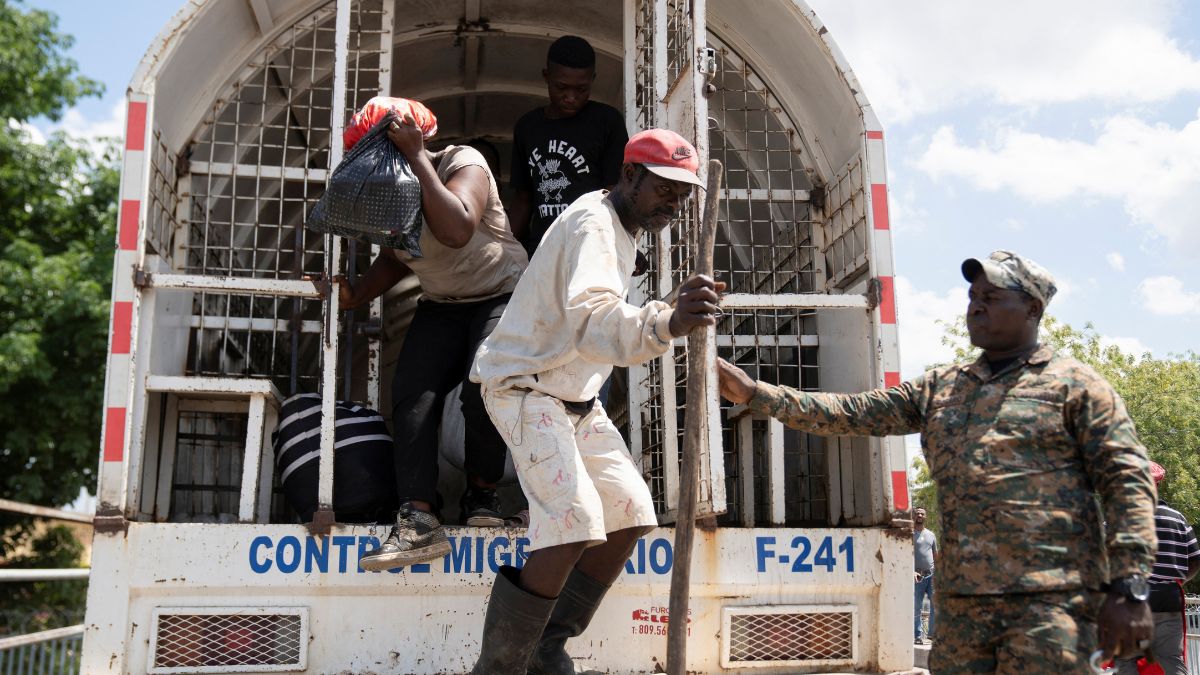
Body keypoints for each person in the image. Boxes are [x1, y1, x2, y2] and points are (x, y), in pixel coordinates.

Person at [716, 250, 1159, 673]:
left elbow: (1127, 484)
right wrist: (757, 394)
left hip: (1051, 606)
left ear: (1032, 309)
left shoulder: (1076, 387)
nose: (975, 308)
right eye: (972, 298)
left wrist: (1131, 587)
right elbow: (851, 411)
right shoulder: (942, 388)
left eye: (991, 298)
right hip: (963, 611)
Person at [467, 129, 720, 673]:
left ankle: (544, 647)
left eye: (682, 196)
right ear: (630, 174)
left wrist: (663, 314)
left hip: (575, 396)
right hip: (526, 386)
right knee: (575, 517)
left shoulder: (621, 229)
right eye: (663, 189)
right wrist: (668, 320)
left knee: (631, 512)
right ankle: (501, 668)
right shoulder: (594, 224)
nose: (672, 204)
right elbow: (591, 320)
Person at [338, 102, 530, 571]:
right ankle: (419, 521)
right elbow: (395, 255)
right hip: (442, 304)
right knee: (412, 398)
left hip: (501, 295)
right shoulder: (390, 188)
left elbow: (458, 229)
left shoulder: (464, 162)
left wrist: (419, 159)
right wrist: (356, 293)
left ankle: (482, 496)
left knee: (483, 386)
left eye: (382, 150)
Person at [507, 35, 628, 257]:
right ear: (546, 76)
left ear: (593, 79)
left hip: (591, 248)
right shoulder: (527, 127)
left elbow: (616, 192)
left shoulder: (607, 122)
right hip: (542, 252)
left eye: (581, 89)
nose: (571, 97)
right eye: (561, 87)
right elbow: (523, 200)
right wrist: (505, 250)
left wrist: (624, 245)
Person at [1115, 462, 1200, 675]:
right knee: (1172, 661)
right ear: (1158, 485)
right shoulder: (1177, 519)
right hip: (1168, 600)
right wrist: (1174, 581)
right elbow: (1196, 560)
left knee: (1126, 662)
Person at [913, 506, 937, 645]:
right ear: (913, 516)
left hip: (932, 575)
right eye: (917, 513)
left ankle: (932, 635)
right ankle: (917, 635)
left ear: (926, 516)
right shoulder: (908, 534)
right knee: (917, 607)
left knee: (936, 605)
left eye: (922, 513)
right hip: (916, 577)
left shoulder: (931, 535)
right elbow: (904, 554)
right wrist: (911, 571)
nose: (920, 515)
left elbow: (935, 556)